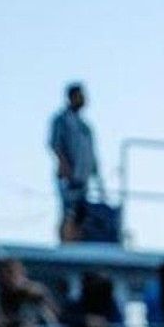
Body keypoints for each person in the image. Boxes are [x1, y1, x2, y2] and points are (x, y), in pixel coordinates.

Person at [49, 82, 99, 244]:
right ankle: (64, 241)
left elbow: (92, 153)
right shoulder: (61, 120)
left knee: (81, 213)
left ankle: (76, 240)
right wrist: (66, 168)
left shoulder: (85, 126)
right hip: (68, 177)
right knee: (67, 212)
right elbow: (55, 145)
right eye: (80, 96)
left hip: (83, 179)